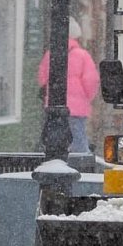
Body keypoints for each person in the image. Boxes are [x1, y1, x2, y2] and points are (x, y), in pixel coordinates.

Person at [38, 17, 100, 153]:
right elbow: (91, 81)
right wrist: (85, 98)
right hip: (77, 108)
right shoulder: (83, 55)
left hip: (54, 105)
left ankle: (56, 161)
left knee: (54, 140)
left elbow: (42, 78)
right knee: (78, 139)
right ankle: (81, 165)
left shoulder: (50, 54)